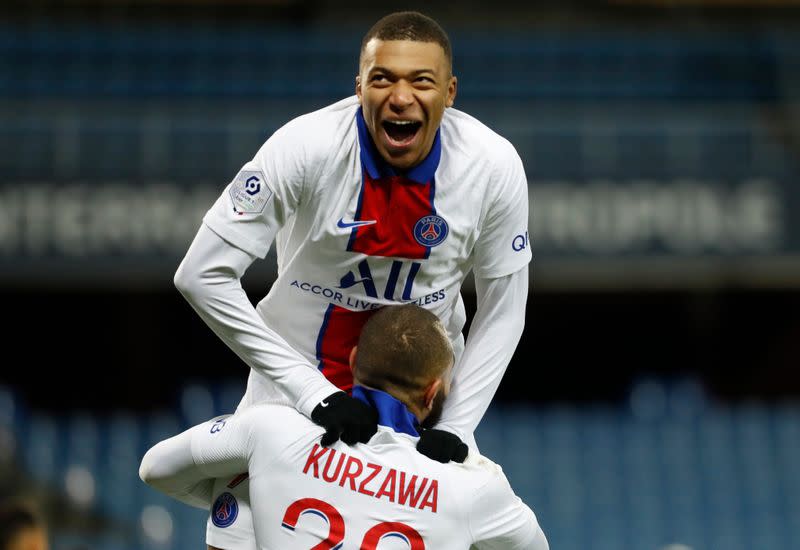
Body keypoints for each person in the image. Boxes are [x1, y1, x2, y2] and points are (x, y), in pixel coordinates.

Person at [169, 10, 531, 549]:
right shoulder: (306, 147)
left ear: (450, 92)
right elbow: (200, 275)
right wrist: (311, 392)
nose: (401, 96)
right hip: (293, 409)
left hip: (418, 427)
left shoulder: (492, 166)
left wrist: (457, 425)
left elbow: (505, 307)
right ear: (359, 84)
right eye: (383, 78)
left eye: (421, 81)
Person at [140, 305, 548, 550]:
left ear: (352, 363)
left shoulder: (273, 431)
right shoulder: (471, 487)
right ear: (433, 393)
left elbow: (154, 468)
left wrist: (265, 494)